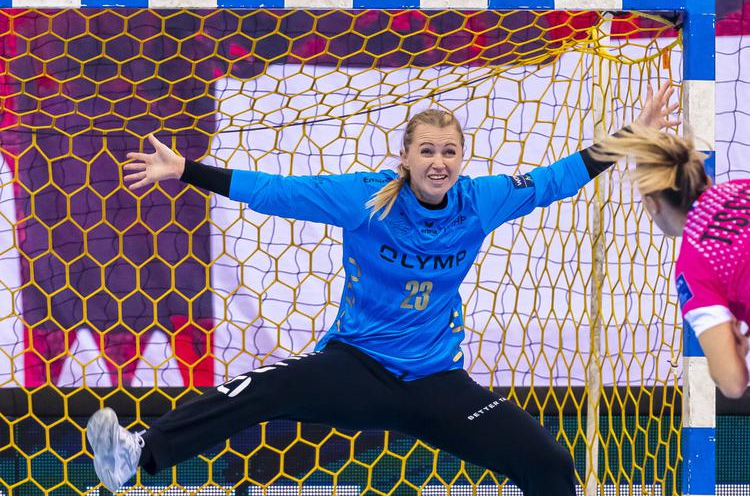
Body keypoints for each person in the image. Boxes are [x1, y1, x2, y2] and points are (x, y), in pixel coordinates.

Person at [86, 83, 678, 494]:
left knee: (547, 461)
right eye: (428, 151)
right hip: (357, 369)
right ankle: (138, 454)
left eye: (449, 152)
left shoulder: (481, 202)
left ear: (462, 158)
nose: (439, 162)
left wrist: (632, 137)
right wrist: (185, 170)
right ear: (406, 157)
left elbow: (557, 179)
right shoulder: (366, 199)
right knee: (258, 389)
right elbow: (276, 193)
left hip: (436, 382)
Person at [590, 123, 750, 399]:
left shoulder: (694, 265)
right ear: (706, 179)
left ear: (653, 204)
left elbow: (732, 382)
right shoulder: (743, 187)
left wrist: (734, 352)